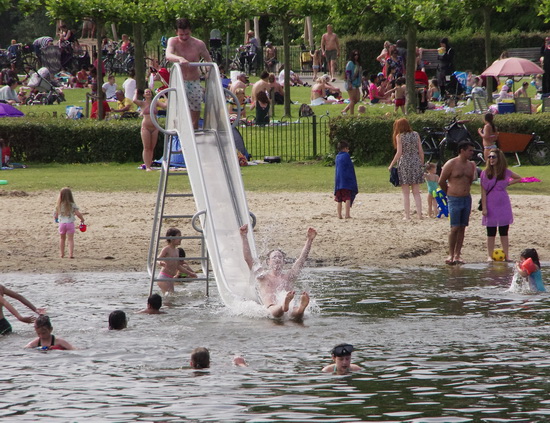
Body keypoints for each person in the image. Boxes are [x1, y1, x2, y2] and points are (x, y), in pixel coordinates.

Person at [239, 224, 316, 319]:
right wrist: (244, 236)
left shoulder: (289, 276)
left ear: (284, 262)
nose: (277, 259)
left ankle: (301, 308)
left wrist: (309, 240)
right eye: (274, 257)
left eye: (280, 257)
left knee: (297, 314)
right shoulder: (263, 276)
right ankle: (284, 305)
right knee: (276, 312)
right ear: (268, 262)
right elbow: (248, 259)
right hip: (271, 307)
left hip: (288, 307)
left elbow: (301, 260)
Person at [165, 18, 212, 129]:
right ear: (176, 32)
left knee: (194, 115)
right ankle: (179, 140)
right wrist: (179, 58)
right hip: (179, 81)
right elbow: (168, 54)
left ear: (190, 31)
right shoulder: (173, 41)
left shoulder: (198, 44)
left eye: (187, 34)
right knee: (178, 114)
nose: (184, 37)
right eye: (181, 35)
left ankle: (194, 136)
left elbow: (208, 60)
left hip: (193, 81)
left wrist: (208, 72)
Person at [438, 140, 477, 265]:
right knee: (454, 227)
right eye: (470, 150)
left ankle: (458, 254)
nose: (472, 153)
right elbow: (441, 181)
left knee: (462, 227)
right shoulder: (451, 163)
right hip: (454, 199)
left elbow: (470, 180)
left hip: (466, 198)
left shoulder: (471, 165)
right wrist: (449, 192)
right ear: (462, 150)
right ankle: (450, 254)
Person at [480, 149, 521, 262]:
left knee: (504, 230)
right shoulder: (485, 173)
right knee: (491, 230)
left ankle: (507, 255)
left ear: (499, 159)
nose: (491, 159)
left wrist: (507, 183)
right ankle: (489, 255)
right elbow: (483, 191)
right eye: (490, 157)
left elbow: (518, 177)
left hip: (503, 203)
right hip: (490, 203)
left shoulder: (505, 172)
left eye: (494, 157)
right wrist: (484, 207)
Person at [388, 118, 424, 220]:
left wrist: (391, 164)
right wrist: (421, 163)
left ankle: (407, 215)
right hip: (416, 162)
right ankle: (419, 215)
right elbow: (421, 151)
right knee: (416, 192)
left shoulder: (399, 136)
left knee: (406, 193)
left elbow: (399, 153)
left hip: (404, 163)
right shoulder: (416, 134)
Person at [133, 88, 167, 171]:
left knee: (152, 147)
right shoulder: (142, 103)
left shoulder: (155, 102)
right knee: (146, 147)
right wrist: (136, 92)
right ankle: (147, 166)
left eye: (149, 92)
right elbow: (134, 100)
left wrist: (164, 95)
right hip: (146, 127)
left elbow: (165, 106)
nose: (148, 93)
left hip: (155, 127)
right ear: (144, 95)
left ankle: (149, 164)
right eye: (146, 92)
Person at [157, 227, 197, 294]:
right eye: (179, 236)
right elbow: (157, 258)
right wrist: (160, 262)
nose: (181, 238)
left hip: (170, 278)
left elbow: (178, 266)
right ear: (171, 238)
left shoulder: (177, 251)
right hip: (163, 277)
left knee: (171, 297)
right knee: (169, 297)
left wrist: (190, 273)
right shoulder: (166, 249)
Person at [54, 187, 85, 259]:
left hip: (62, 224)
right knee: (70, 239)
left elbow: (55, 215)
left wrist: (56, 219)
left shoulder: (59, 205)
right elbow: (78, 213)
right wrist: (82, 219)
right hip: (70, 224)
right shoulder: (72, 204)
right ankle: (71, 254)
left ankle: (62, 254)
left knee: (62, 239)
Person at [334, 141, 358, 219]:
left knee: (339, 199)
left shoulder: (337, 157)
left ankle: (339, 215)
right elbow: (350, 169)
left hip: (338, 182)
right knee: (348, 198)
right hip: (346, 182)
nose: (348, 150)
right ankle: (347, 214)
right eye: (347, 148)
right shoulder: (346, 156)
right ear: (345, 149)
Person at [341, 50, 362, 115]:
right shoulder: (350, 63)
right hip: (351, 83)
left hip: (356, 84)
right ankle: (351, 114)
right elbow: (348, 74)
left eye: (357, 55)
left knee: (357, 99)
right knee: (352, 100)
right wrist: (349, 83)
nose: (356, 56)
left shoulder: (358, 64)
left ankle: (344, 110)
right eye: (355, 55)